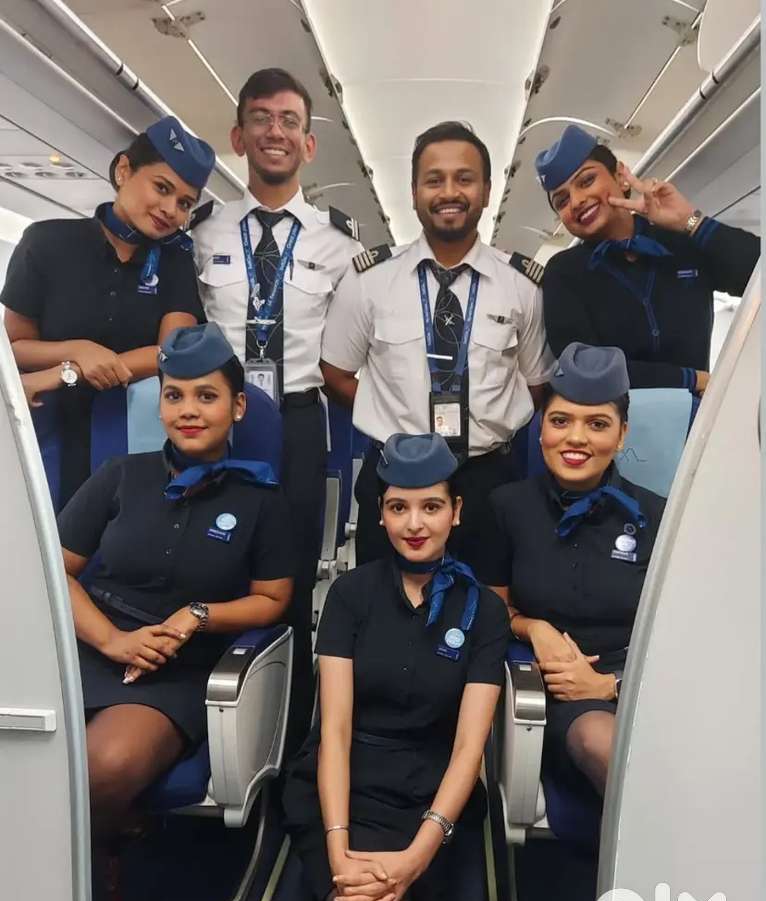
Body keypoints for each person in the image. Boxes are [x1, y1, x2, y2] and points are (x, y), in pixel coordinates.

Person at [282, 432, 508, 901]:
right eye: (398, 507)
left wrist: (416, 857)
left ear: (456, 511)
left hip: (432, 794)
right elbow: (334, 732)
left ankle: (404, 900)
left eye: (431, 507)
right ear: (380, 514)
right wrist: (338, 851)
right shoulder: (349, 595)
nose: (414, 523)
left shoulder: (485, 611)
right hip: (346, 783)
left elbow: (469, 749)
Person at [57, 322, 294, 841]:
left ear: (238, 407)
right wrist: (112, 639)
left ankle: (96, 856)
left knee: (102, 768)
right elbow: (57, 571)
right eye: (174, 396)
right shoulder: (120, 474)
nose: (188, 410)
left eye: (206, 396)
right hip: (89, 641)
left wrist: (198, 615)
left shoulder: (262, 500)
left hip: (176, 666)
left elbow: (272, 599)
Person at [192, 67, 364, 752]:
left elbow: (353, 352)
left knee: (287, 579)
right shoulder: (202, 232)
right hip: (215, 420)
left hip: (296, 422)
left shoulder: (341, 244)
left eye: (290, 120)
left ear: (308, 144)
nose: (275, 131)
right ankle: (207, 723)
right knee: (208, 565)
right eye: (261, 118)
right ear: (238, 137)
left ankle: (288, 740)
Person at [321, 120, 556, 580]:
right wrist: (393, 419)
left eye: (464, 179)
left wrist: (488, 424)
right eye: (434, 180)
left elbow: (536, 382)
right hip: (394, 476)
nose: (449, 192)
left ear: (486, 191)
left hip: (488, 481)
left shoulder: (522, 286)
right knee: (385, 608)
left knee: (488, 608)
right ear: (413, 193)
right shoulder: (369, 280)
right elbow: (336, 373)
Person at [2, 115, 215, 505]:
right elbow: (14, 348)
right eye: (162, 188)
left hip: (131, 430)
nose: (171, 209)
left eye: (184, 203)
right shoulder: (46, 242)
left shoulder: (175, 262)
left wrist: (69, 371)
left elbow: (171, 352)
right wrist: (78, 350)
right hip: (48, 429)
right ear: (123, 170)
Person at [489, 342, 665, 797]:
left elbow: (687, 636)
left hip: (647, 683)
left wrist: (612, 685)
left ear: (622, 435)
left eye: (598, 424)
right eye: (561, 421)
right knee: (602, 742)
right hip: (560, 693)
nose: (576, 438)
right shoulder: (508, 508)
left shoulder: (660, 517)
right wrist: (534, 628)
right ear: (541, 429)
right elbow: (491, 607)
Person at [535, 124, 760, 392]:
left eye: (586, 181)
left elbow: (757, 274)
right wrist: (691, 380)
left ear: (620, 176)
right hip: (626, 418)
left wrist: (691, 221)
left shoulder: (680, 242)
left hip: (703, 412)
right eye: (562, 201)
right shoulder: (565, 272)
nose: (576, 201)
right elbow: (584, 366)